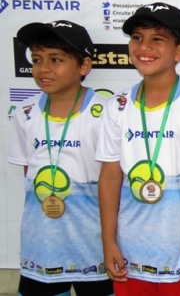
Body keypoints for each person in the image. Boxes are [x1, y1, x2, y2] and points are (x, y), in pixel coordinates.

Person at [97, 3, 180, 295]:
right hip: (130, 255)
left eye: (157, 39)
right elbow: (110, 177)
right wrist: (109, 242)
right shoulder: (117, 106)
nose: (144, 47)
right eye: (137, 38)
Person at [8, 20, 114, 296]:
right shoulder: (25, 113)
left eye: (56, 60)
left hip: (95, 248)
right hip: (41, 248)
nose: (43, 68)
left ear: (84, 66)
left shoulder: (107, 114)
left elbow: (115, 181)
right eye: (37, 60)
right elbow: (29, 175)